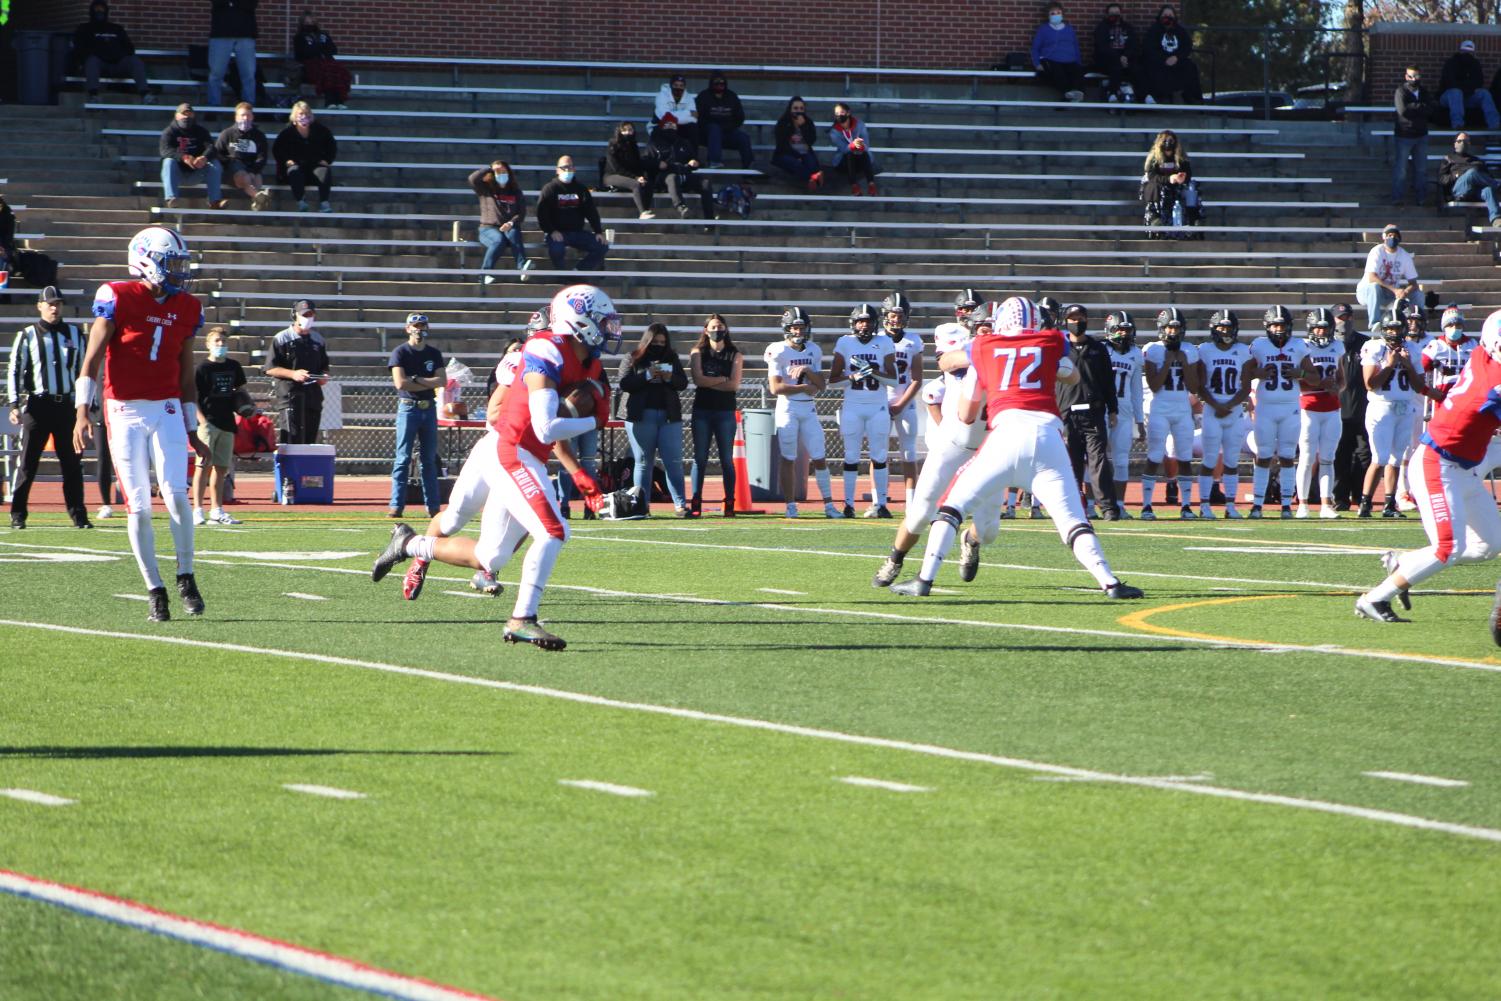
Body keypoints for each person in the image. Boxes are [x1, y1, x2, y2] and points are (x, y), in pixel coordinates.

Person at [371, 285, 619, 650]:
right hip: (511, 450)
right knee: (553, 531)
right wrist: (591, 421)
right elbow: (547, 426)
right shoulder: (545, 348)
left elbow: (560, 423)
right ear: (579, 320)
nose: (610, 329)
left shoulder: (590, 363)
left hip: (529, 456)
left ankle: (409, 544)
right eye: (602, 321)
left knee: (491, 557)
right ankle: (523, 618)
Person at [888, 298, 1144, 600]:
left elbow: (962, 397)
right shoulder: (1053, 340)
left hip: (1005, 435)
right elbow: (1071, 373)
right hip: (1049, 437)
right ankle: (1110, 582)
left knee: (951, 508)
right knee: (1073, 519)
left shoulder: (985, 346)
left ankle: (924, 580)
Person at [70, 226, 210, 622]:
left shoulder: (187, 306)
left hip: (165, 407)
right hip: (124, 409)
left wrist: (191, 428)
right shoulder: (117, 296)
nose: (179, 271)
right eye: (172, 263)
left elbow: (186, 377)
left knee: (177, 495)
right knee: (140, 507)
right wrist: (82, 412)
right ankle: (155, 589)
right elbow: (92, 362)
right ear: (145, 260)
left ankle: (185, 575)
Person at [1355, 309, 1501, 627]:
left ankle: (1404, 561)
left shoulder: (1480, 355)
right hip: (1438, 464)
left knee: (1489, 545)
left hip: (1463, 469)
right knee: (1447, 547)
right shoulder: (1494, 383)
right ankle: (1374, 598)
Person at [873, 304, 1003, 588]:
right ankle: (896, 558)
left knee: (990, 530)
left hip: (991, 450)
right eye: (983, 325)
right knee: (920, 513)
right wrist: (979, 356)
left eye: (994, 326)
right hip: (953, 443)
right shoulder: (964, 346)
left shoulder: (1013, 356)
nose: (988, 330)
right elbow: (945, 362)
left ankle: (970, 540)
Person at [6, 287, 89, 529]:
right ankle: (18, 514)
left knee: (72, 464)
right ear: (40, 306)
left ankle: (79, 515)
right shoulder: (28, 335)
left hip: (67, 407)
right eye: (50, 304)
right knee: (28, 463)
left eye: (58, 304)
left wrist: (87, 404)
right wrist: (14, 403)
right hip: (38, 405)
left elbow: (83, 370)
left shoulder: (74, 334)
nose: (55, 308)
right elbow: (14, 370)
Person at [764, 306, 841, 518]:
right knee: (788, 457)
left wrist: (807, 371)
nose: (799, 332)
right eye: (795, 327)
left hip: (808, 408)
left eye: (802, 327)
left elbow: (821, 385)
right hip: (787, 408)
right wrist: (804, 387)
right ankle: (790, 506)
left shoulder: (813, 350)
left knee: (819, 456)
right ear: (787, 329)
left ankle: (829, 506)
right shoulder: (777, 350)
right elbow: (776, 388)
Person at [1246, 306, 1313, 519]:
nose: (1279, 329)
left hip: (1290, 407)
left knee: (1286, 455)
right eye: (1275, 324)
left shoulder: (1299, 346)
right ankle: (1257, 504)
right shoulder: (1258, 345)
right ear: (1267, 326)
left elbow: (1314, 377)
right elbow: (1244, 372)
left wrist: (1299, 373)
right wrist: (1257, 372)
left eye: (1282, 325)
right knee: (1263, 455)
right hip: (1265, 407)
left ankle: (1286, 504)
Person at [1359, 309, 1426, 519]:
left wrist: (1407, 365)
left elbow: (1419, 386)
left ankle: (1389, 504)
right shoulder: (1374, 347)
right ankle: (1365, 504)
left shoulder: (1413, 349)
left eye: (1397, 328)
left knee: (1396, 458)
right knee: (1379, 457)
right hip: (1381, 406)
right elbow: (1370, 384)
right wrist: (1390, 365)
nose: (1393, 332)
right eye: (1389, 328)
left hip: (1405, 407)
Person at [831, 303, 897, 518]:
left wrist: (873, 372)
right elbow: (832, 381)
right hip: (853, 407)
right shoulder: (845, 342)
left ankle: (881, 504)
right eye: (860, 321)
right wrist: (853, 377)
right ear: (853, 323)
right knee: (851, 456)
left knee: (879, 455)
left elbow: (894, 380)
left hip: (877, 407)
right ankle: (848, 504)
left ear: (875, 324)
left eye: (867, 322)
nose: (863, 326)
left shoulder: (884, 341)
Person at [618, 323, 690, 517]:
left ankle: (680, 505)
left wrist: (669, 377)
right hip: (641, 416)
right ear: (647, 341)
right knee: (643, 461)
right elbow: (624, 383)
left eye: (662, 342)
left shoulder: (671, 358)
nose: (658, 345)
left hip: (668, 416)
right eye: (655, 341)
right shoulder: (633, 357)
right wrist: (647, 375)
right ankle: (642, 505)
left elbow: (682, 383)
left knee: (673, 461)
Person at [1057, 304, 1120, 519]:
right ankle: (1074, 507)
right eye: (1072, 318)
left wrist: (1113, 410)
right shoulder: (1059, 347)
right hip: (1067, 413)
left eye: (1080, 317)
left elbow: (1108, 382)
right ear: (1066, 321)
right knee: (1070, 463)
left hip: (1093, 413)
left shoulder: (1098, 348)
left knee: (1099, 461)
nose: (1076, 322)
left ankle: (1108, 508)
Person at [1139, 307, 1199, 519]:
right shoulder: (1152, 349)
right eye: (1169, 327)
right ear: (1162, 329)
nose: (1173, 332)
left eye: (1176, 328)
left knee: (1184, 457)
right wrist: (1168, 362)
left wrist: (1183, 363)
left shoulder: (1190, 350)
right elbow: (1155, 385)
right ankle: (1146, 505)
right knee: (1155, 455)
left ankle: (1186, 505)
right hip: (1160, 408)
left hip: (1182, 408)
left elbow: (1193, 386)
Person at [1193, 310, 1251, 520]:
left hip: (1233, 411)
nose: (1225, 331)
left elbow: (1245, 386)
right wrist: (1216, 404)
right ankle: (1205, 505)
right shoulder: (1205, 350)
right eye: (1221, 327)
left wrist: (1231, 405)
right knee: (1209, 459)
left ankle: (1230, 505)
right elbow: (1200, 385)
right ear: (1214, 329)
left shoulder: (1243, 351)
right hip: (1212, 409)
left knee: (1231, 461)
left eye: (1228, 327)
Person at [387, 313, 445, 519]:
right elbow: (400, 383)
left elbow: (442, 380)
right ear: (407, 328)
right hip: (408, 407)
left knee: (428, 460)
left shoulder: (434, 353)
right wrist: (428, 381)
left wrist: (418, 379)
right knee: (403, 458)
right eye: (415, 325)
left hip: (428, 407)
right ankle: (396, 505)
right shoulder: (400, 352)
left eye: (422, 325)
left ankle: (433, 507)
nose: (419, 329)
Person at [191, 324, 249, 526]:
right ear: (208, 344)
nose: (221, 344)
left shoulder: (233, 366)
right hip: (208, 422)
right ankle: (197, 509)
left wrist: (246, 406)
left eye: (223, 341)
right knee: (202, 466)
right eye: (216, 341)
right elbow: (193, 397)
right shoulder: (202, 368)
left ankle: (217, 509)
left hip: (227, 422)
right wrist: (202, 420)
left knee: (221, 468)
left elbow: (240, 390)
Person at [688, 314, 742, 517]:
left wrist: (713, 381)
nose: (717, 330)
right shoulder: (698, 352)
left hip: (725, 412)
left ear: (726, 330)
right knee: (699, 458)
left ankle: (729, 500)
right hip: (702, 410)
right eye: (713, 326)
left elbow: (734, 385)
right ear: (706, 330)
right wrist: (721, 379)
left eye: (720, 326)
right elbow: (698, 380)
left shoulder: (734, 354)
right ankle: (696, 500)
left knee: (726, 459)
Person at [1295, 308, 1347, 519]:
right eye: (1317, 328)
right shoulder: (1302, 347)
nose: (1321, 332)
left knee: (1328, 458)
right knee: (1307, 458)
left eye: (1325, 328)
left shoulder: (1338, 346)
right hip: (1308, 407)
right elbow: (1296, 378)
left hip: (1332, 408)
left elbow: (1342, 377)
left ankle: (1326, 505)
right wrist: (1315, 383)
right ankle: (1303, 505)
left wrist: (1338, 388)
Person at [263, 298, 328, 444]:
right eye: (304, 315)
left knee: (310, 442)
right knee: (292, 441)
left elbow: (324, 365)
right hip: (291, 398)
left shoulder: (318, 340)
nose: (308, 318)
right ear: (295, 315)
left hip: (312, 398)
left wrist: (323, 376)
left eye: (310, 315)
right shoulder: (282, 338)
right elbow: (270, 368)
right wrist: (293, 374)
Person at [880, 291, 924, 501]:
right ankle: (879, 498)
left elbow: (917, 379)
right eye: (893, 314)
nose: (896, 319)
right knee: (878, 453)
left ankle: (911, 499)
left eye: (900, 315)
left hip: (904, 402)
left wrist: (900, 404)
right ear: (885, 315)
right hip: (879, 402)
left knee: (908, 452)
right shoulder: (875, 339)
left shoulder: (913, 341)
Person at [1102, 311, 1143, 519]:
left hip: (1125, 412)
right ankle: (1092, 504)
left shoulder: (1136, 354)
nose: (1124, 334)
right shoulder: (1101, 350)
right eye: (1120, 329)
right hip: (1102, 410)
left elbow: (1136, 390)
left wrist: (1140, 419)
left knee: (1121, 461)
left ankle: (1119, 505)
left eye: (1127, 330)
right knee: (1095, 459)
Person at [536, 155, 609, 272]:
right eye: (564, 167)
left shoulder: (581, 189)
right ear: (557, 170)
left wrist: (598, 231)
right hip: (556, 233)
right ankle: (562, 275)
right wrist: (551, 230)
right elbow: (541, 214)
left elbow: (591, 211)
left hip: (577, 233)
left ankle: (578, 271)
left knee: (602, 246)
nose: (568, 170)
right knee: (556, 249)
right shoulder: (549, 189)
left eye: (570, 167)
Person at [1332, 303, 1372, 510]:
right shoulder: (1329, 344)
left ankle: (1360, 494)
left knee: (1365, 455)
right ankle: (1340, 499)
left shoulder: (1365, 343)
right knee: (1341, 456)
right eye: (1340, 317)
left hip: (1363, 409)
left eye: (1348, 317)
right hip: (1337, 411)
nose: (1344, 321)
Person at [469, 159, 530, 282]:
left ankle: (522, 267)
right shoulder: (485, 189)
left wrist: (510, 223)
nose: (502, 174)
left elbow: (521, 213)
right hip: (488, 228)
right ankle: (484, 274)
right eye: (498, 172)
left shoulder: (516, 191)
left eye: (504, 171)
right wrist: (490, 168)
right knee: (498, 240)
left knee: (514, 232)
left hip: (508, 228)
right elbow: (473, 179)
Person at [74, 1, 150, 101]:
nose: (99, 12)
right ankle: (94, 95)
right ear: (91, 11)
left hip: (118, 62)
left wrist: (119, 54)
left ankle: (145, 94)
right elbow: (80, 48)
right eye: (96, 9)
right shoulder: (84, 28)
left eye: (102, 9)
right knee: (92, 61)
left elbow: (129, 47)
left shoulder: (116, 28)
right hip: (99, 63)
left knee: (135, 60)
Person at [273, 101, 336, 213]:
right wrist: (286, 161)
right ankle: (301, 202)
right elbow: (277, 150)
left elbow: (331, 145)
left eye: (306, 114)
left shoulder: (321, 130)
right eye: (300, 114)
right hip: (296, 168)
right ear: (294, 117)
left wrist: (327, 160)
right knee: (294, 171)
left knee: (324, 171)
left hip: (314, 166)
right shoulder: (287, 132)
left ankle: (324, 203)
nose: (303, 117)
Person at [159, 103, 225, 210]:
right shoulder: (169, 132)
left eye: (189, 114)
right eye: (183, 114)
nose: (186, 117)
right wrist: (184, 157)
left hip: (196, 171)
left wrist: (204, 158)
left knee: (215, 164)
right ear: (176, 116)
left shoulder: (201, 131)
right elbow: (165, 151)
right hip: (177, 172)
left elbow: (211, 148)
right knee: (168, 162)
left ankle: (215, 201)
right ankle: (171, 199)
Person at [1356, 223, 1419, 333]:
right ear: (1384, 237)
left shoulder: (1404, 255)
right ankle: (1374, 323)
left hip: (1390, 295)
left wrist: (1404, 291)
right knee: (1374, 287)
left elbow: (1413, 283)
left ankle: (1416, 322)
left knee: (1418, 294)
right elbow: (1372, 277)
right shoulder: (1377, 251)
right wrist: (1395, 290)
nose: (1392, 238)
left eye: (1395, 235)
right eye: (1389, 235)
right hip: (1367, 292)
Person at [647, 120, 715, 220]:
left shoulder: (683, 142)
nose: (671, 129)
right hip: (663, 177)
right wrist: (658, 164)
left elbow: (694, 159)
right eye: (667, 126)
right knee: (672, 177)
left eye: (673, 126)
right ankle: (681, 207)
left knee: (705, 183)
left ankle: (710, 219)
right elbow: (646, 161)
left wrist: (694, 162)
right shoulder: (654, 143)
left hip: (683, 174)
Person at [213, 102, 272, 211]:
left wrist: (252, 171)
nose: (245, 118)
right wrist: (229, 162)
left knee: (257, 178)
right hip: (232, 171)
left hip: (251, 169)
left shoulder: (259, 136)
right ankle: (259, 197)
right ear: (236, 117)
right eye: (242, 115)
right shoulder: (227, 134)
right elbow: (217, 153)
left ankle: (258, 200)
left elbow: (262, 157)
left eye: (248, 115)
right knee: (244, 176)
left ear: (252, 117)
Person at [1139, 129, 1199, 235]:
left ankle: (1194, 219)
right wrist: (1168, 179)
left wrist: (1182, 178)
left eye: (1171, 140)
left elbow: (1188, 173)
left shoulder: (1181, 158)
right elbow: (1151, 175)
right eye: (1165, 140)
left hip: (1176, 186)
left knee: (1192, 189)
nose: (1168, 143)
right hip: (1159, 185)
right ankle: (1155, 218)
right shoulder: (1154, 158)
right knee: (1153, 187)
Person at [1393, 66, 1436, 208]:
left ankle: (1422, 198)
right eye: (1411, 76)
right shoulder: (1401, 91)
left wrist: (1414, 107)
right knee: (1401, 169)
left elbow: (1430, 109)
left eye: (1416, 76)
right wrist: (1420, 107)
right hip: (1404, 135)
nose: (1414, 79)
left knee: (1421, 169)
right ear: (1406, 77)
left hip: (1421, 135)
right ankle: (1397, 198)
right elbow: (1403, 111)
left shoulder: (1424, 92)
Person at [1140, 4, 1201, 105]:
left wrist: (1177, 57)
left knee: (1191, 67)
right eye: (1165, 14)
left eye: (1170, 14)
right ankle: (1162, 96)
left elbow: (1187, 46)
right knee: (1152, 68)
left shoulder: (1180, 30)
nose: (1167, 16)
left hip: (1177, 60)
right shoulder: (1154, 30)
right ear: (1160, 16)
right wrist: (1164, 59)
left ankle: (1192, 98)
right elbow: (1149, 48)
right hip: (1160, 61)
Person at [1439, 131, 1501, 228]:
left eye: (1465, 141)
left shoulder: (1477, 160)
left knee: (1488, 190)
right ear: (1454, 143)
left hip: (1475, 191)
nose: (1462, 143)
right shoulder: (1448, 159)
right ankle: (1498, 186)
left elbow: (1488, 178)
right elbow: (1442, 179)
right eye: (1459, 141)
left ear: (1469, 144)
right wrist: (1456, 175)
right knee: (1472, 173)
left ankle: (1496, 219)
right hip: (1459, 190)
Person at [293, 10, 351, 109]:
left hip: (327, 61)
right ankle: (330, 101)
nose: (310, 24)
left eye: (312, 22)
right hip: (310, 65)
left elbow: (332, 49)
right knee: (326, 71)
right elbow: (301, 54)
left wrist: (320, 46)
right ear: (302, 23)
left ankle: (340, 101)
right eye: (307, 22)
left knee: (339, 70)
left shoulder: (323, 35)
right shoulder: (299, 37)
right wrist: (316, 48)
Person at [696, 70, 753, 169]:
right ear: (712, 83)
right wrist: (713, 126)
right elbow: (698, 117)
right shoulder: (704, 96)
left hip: (728, 132)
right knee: (714, 128)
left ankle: (749, 168)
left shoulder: (732, 96)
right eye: (717, 83)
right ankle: (714, 161)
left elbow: (740, 117)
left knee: (744, 138)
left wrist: (728, 127)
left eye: (722, 83)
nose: (719, 85)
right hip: (707, 134)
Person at [1439, 39, 1499, 131]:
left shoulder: (1475, 64)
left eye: (1470, 52)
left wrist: (1467, 89)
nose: (1467, 54)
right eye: (1465, 51)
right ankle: (1458, 125)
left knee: (1484, 93)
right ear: (1460, 51)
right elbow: (1450, 82)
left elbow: (1479, 82)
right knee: (1456, 92)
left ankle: (1495, 125)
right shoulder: (1451, 63)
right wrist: (1466, 88)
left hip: (1468, 96)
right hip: (1449, 97)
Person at [207, 0, 257, 108]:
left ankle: (249, 107)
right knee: (216, 73)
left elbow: (251, 5)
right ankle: (213, 106)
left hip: (246, 33)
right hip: (220, 33)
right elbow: (217, 3)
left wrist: (231, 3)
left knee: (248, 74)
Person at [1032, 3, 1085, 102]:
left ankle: (1075, 94)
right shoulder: (1043, 29)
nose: (1056, 15)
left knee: (1078, 72)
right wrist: (1037, 63)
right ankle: (1068, 94)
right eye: (1053, 13)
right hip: (1051, 58)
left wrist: (1078, 62)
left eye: (1058, 13)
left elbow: (1075, 46)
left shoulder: (1069, 29)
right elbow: (1035, 47)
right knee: (1058, 73)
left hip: (1070, 59)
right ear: (1048, 15)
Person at [604, 122, 658, 220]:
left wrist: (641, 176)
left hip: (629, 175)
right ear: (620, 131)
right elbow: (617, 168)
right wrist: (635, 178)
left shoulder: (633, 146)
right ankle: (642, 212)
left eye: (630, 130)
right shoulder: (613, 145)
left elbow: (637, 165)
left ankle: (646, 208)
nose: (628, 133)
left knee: (647, 183)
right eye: (625, 130)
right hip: (611, 176)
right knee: (635, 184)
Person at [773, 96, 824, 190]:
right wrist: (797, 156)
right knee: (797, 165)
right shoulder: (783, 122)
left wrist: (803, 126)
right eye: (795, 108)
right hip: (785, 153)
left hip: (804, 150)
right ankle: (810, 182)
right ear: (790, 109)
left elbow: (811, 140)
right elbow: (781, 144)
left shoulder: (808, 122)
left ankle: (811, 180)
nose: (798, 111)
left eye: (801, 108)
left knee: (812, 165)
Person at [1093, 2, 1140, 103]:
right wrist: (1119, 57)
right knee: (1116, 67)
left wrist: (1126, 56)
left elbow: (1134, 44)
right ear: (1107, 14)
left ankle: (1144, 96)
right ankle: (1112, 94)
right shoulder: (1102, 28)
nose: (1115, 15)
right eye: (1112, 13)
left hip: (1126, 59)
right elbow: (1102, 47)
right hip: (1107, 60)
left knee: (1138, 69)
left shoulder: (1127, 27)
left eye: (1117, 12)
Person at [828, 103, 877, 197]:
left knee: (863, 153)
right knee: (850, 154)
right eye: (837, 113)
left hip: (861, 159)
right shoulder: (834, 131)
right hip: (843, 162)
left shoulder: (860, 125)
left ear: (848, 113)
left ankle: (871, 184)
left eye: (841, 112)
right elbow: (843, 149)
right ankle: (854, 185)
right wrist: (852, 146)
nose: (839, 115)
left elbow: (866, 144)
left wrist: (860, 145)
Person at [654, 73, 699, 147]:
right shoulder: (662, 96)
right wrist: (688, 113)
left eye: (681, 86)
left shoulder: (689, 97)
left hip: (681, 127)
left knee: (693, 128)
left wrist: (673, 115)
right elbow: (665, 117)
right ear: (671, 85)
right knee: (669, 125)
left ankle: (693, 157)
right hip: (661, 126)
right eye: (676, 85)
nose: (679, 88)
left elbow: (694, 119)